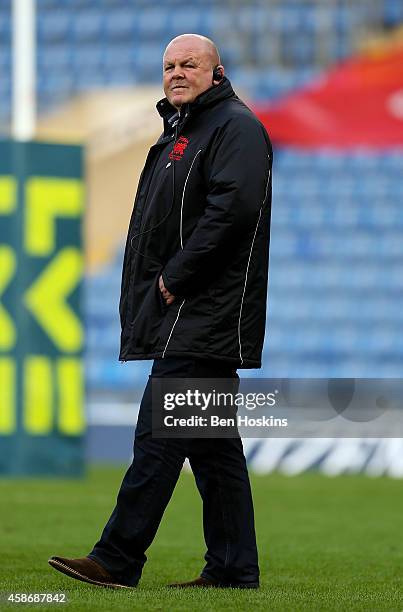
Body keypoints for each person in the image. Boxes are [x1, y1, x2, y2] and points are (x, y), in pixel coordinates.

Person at [49, 33, 272, 589]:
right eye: (169, 65)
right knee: (215, 450)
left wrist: (175, 276)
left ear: (216, 72)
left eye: (189, 64)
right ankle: (232, 568)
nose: (176, 72)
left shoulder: (234, 128)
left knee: (159, 434)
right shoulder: (187, 131)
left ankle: (117, 558)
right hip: (191, 312)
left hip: (204, 313)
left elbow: (233, 209)